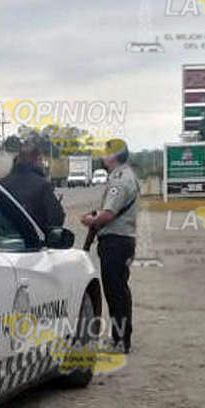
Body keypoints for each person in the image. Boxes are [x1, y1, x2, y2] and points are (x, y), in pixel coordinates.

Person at [80, 139, 139, 353]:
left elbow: (108, 214)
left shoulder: (119, 180)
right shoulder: (125, 175)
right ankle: (121, 337)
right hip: (122, 240)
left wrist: (90, 220)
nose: (103, 156)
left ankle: (120, 340)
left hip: (116, 242)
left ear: (113, 156)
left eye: (106, 153)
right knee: (120, 290)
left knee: (115, 293)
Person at [0, 143, 65, 232]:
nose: (42, 164)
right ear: (38, 159)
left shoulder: (1, 184)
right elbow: (57, 218)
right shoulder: (42, 185)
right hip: (33, 238)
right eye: (41, 160)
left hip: (3, 237)